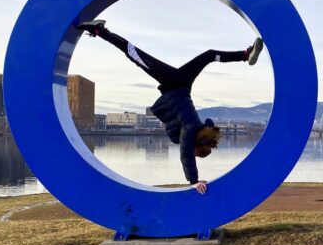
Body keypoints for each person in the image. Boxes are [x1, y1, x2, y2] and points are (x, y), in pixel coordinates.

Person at [76, 20, 263, 194]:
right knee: (133, 53)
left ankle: (245, 55)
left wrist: (210, 140)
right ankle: (99, 30)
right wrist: (193, 181)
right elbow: (186, 157)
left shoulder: (198, 126)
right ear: (195, 146)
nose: (192, 152)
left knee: (209, 55)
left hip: (184, 84)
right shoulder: (189, 132)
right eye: (196, 152)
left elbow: (209, 125)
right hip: (172, 82)